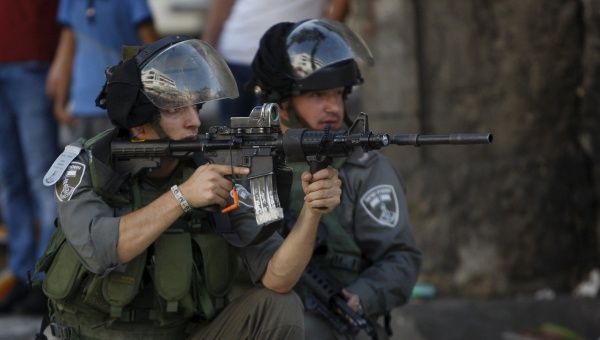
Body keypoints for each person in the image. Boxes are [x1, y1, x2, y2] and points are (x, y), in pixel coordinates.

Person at [37, 36, 342, 339]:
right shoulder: (88, 167)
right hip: (92, 336)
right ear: (139, 124)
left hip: (178, 334)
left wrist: (311, 211)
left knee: (279, 306)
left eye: (196, 106)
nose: (194, 121)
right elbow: (101, 250)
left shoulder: (208, 171)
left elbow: (278, 277)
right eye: (175, 109)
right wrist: (182, 197)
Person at [249, 19, 422, 339]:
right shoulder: (248, 161)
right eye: (317, 95)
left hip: (332, 317)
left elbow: (400, 258)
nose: (333, 107)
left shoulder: (363, 167)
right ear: (282, 101)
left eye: (339, 94)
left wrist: (361, 297)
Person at [0, 0, 61, 315]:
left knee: (43, 177)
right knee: (12, 179)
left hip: (34, 62)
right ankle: (22, 275)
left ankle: (44, 279)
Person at [201, 0, 349, 127]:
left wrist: (318, 44)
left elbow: (340, 5)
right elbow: (223, 4)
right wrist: (206, 51)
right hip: (234, 55)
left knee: (271, 137)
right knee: (229, 137)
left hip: (287, 65)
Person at [47, 0, 158, 146]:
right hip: (80, 107)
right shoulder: (70, 3)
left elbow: (152, 51)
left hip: (121, 106)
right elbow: (67, 49)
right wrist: (60, 102)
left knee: (117, 166)